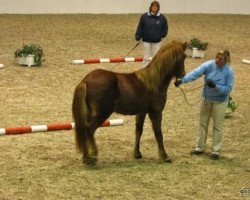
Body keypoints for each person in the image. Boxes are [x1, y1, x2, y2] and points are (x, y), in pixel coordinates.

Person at [174, 50, 234, 160]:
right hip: (207, 99)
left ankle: (215, 150)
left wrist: (216, 86)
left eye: (220, 59)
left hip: (220, 102)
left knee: (217, 126)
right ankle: (200, 147)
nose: (217, 60)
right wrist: (182, 80)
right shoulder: (209, 65)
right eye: (216, 57)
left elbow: (228, 89)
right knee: (203, 122)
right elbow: (195, 73)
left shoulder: (229, 71)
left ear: (226, 60)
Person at [135, 1, 168, 67]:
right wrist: (138, 37)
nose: (154, 8)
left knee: (156, 58)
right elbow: (140, 27)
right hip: (146, 41)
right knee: (146, 58)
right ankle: (144, 72)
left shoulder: (162, 18)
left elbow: (165, 28)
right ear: (151, 7)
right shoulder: (144, 16)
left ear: (158, 8)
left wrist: (162, 35)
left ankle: (155, 73)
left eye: (156, 6)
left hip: (157, 42)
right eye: (153, 6)